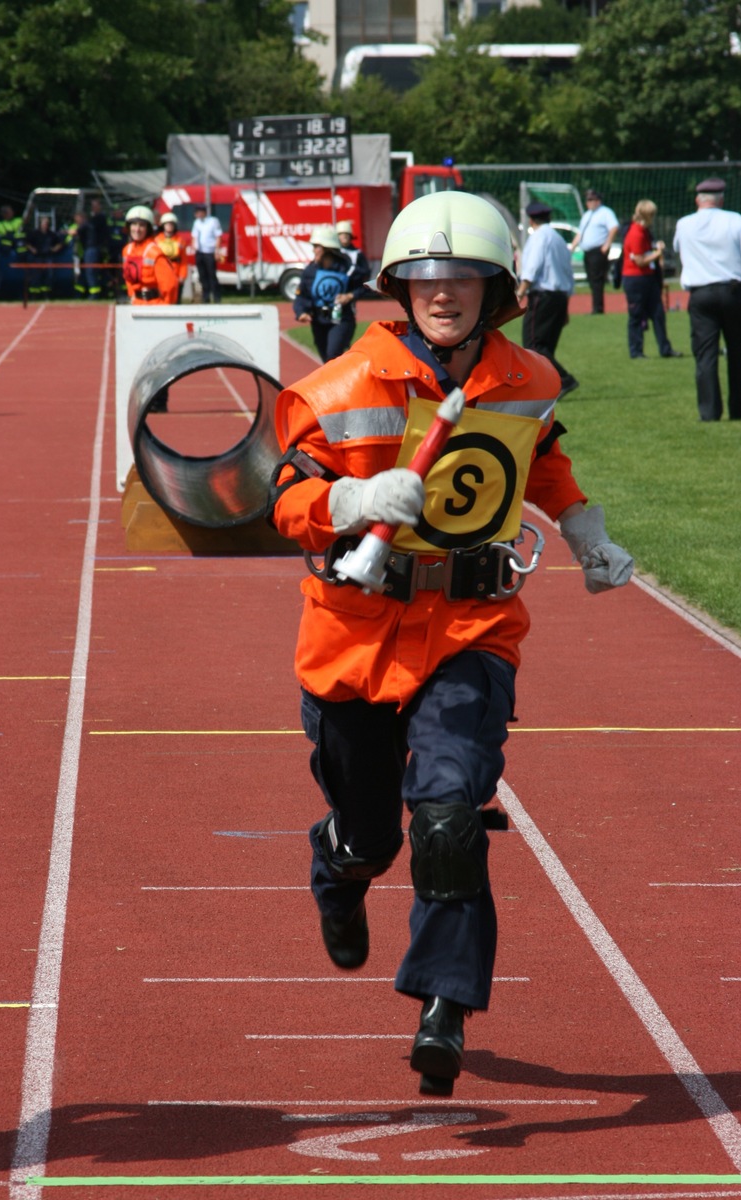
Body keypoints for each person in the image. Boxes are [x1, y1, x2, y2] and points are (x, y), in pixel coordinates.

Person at [267, 192, 634, 1097]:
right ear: (399, 286)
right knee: (371, 832)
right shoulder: (344, 386)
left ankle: (444, 1007)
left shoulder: (529, 379)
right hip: (354, 638)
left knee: (447, 815)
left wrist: (583, 530)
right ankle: (340, 861)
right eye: (426, 277)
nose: (443, 292)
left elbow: (540, 458)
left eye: (462, 277)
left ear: (495, 289)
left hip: (474, 629)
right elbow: (281, 500)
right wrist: (349, 504)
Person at [673, 177, 741, 421]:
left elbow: (678, 249)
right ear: (721, 199)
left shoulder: (684, 224)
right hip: (733, 291)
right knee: (737, 352)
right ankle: (738, 409)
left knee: (705, 355)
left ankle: (710, 412)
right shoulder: (735, 220)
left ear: (697, 200)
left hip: (700, 294)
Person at [516, 200, 578, 398]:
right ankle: (547, 387)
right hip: (559, 297)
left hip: (542, 297)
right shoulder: (558, 239)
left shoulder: (538, 238)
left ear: (531, 219)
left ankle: (564, 380)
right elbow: (567, 273)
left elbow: (532, 268)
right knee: (546, 346)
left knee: (533, 345)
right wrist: (566, 306)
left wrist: (520, 293)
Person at [620, 199, 682, 361]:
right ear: (647, 216)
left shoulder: (645, 232)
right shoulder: (635, 233)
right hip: (635, 279)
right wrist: (658, 252)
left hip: (647, 278)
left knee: (658, 314)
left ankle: (665, 349)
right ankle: (636, 352)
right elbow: (639, 260)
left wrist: (655, 247)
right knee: (636, 316)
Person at [293, 226, 365, 362]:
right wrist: (301, 312)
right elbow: (302, 295)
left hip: (341, 319)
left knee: (333, 355)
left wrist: (350, 296)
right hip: (318, 321)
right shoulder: (310, 271)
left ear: (327, 249)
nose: (313, 250)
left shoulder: (348, 268)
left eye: (316, 246)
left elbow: (364, 287)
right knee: (326, 360)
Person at [569, 188, 619, 315]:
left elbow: (614, 227)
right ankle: (595, 306)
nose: (588, 202)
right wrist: (572, 247)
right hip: (588, 252)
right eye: (587, 200)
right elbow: (580, 233)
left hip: (598, 251)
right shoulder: (587, 215)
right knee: (591, 279)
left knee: (597, 280)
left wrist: (607, 244)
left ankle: (598, 308)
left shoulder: (605, 212)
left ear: (598, 200)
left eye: (591, 199)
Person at [121, 205, 179, 306]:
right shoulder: (127, 250)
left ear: (148, 228)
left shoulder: (154, 252)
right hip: (136, 303)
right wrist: (132, 296)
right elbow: (128, 278)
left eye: (142, 225)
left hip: (155, 305)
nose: (137, 229)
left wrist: (165, 308)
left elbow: (170, 285)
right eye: (134, 224)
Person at [25, 216, 64, 300]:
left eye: (47, 223)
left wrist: (54, 249)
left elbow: (60, 243)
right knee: (36, 276)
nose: (45, 225)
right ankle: (35, 295)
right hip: (37, 257)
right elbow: (27, 243)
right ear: (40, 224)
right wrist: (32, 249)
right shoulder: (35, 233)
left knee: (49, 275)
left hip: (48, 257)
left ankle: (46, 294)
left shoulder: (51, 234)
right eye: (44, 223)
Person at [78, 198, 110, 298]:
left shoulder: (97, 219)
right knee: (89, 271)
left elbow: (82, 229)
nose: (93, 208)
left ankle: (95, 293)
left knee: (91, 271)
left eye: (95, 206)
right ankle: (86, 293)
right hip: (91, 249)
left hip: (93, 249)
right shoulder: (94, 220)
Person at [191, 203, 223, 303]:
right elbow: (194, 236)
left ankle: (216, 297)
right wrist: (194, 247)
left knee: (212, 275)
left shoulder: (213, 221)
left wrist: (217, 251)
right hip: (200, 252)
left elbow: (218, 236)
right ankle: (206, 296)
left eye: (200, 212)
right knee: (202, 275)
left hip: (210, 252)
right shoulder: (197, 222)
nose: (198, 214)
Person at [155, 212, 189, 302]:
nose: (169, 226)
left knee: (176, 299)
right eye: (167, 224)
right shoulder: (157, 240)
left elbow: (184, 260)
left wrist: (182, 275)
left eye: (171, 224)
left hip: (176, 272)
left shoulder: (180, 241)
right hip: (161, 273)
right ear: (163, 225)